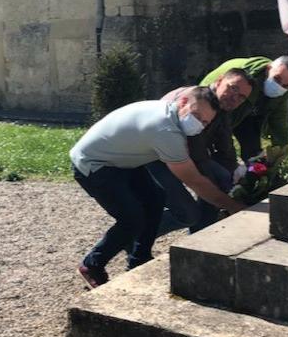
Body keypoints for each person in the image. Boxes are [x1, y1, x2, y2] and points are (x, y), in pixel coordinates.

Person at [70, 87, 245, 289]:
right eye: (196, 115)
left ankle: (139, 258)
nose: (198, 123)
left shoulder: (168, 114)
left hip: (119, 160)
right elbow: (194, 181)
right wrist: (233, 205)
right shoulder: (165, 130)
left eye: (205, 122)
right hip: (93, 165)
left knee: (155, 200)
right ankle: (91, 265)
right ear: (183, 102)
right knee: (132, 218)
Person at [147, 68, 255, 232]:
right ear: (219, 81)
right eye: (233, 88)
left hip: (185, 156)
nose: (235, 98)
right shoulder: (198, 101)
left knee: (223, 180)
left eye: (241, 97)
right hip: (156, 157)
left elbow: (224, 144)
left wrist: (236, 174)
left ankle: (201, 235)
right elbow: (195, 150)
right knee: (187, 212)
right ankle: (136, 234)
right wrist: (219, 193)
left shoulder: (222, 107)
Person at [200, 56, 288, 164]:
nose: (279, 86)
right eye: (277, 79)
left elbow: (279, 123)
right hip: (214, 105)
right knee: (209, 144)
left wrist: (284, 156)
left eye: (286, 85)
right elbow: (224, 122)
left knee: (253, 153)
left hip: (250, 114)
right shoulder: (243, 79)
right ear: (268, 69)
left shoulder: (283, 93)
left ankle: (254, 173)